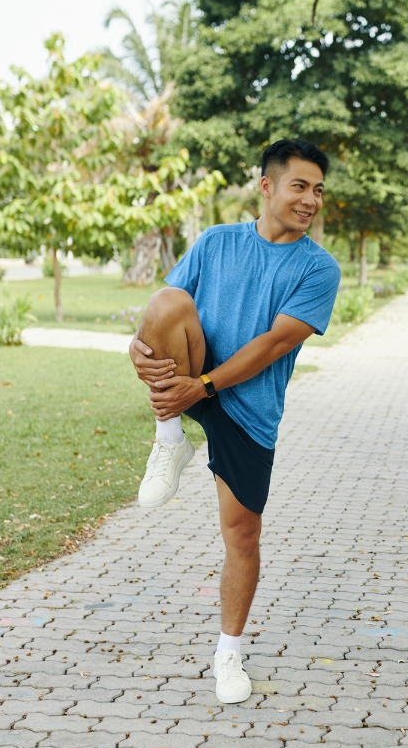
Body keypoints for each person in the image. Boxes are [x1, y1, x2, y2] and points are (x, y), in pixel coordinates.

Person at [128, 139, 341, 705]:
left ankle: (228, 653)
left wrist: (201, 387)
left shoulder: (319, 268)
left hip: (246, 401)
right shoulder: (217, 240)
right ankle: (169, 440)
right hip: (192, 372)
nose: (311, 199)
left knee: (242, 534)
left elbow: (275, 343)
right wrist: (138, 348)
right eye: (300, 186)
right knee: (165, 303)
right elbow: (166, 310)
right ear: (267, 187)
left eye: (318, 190)